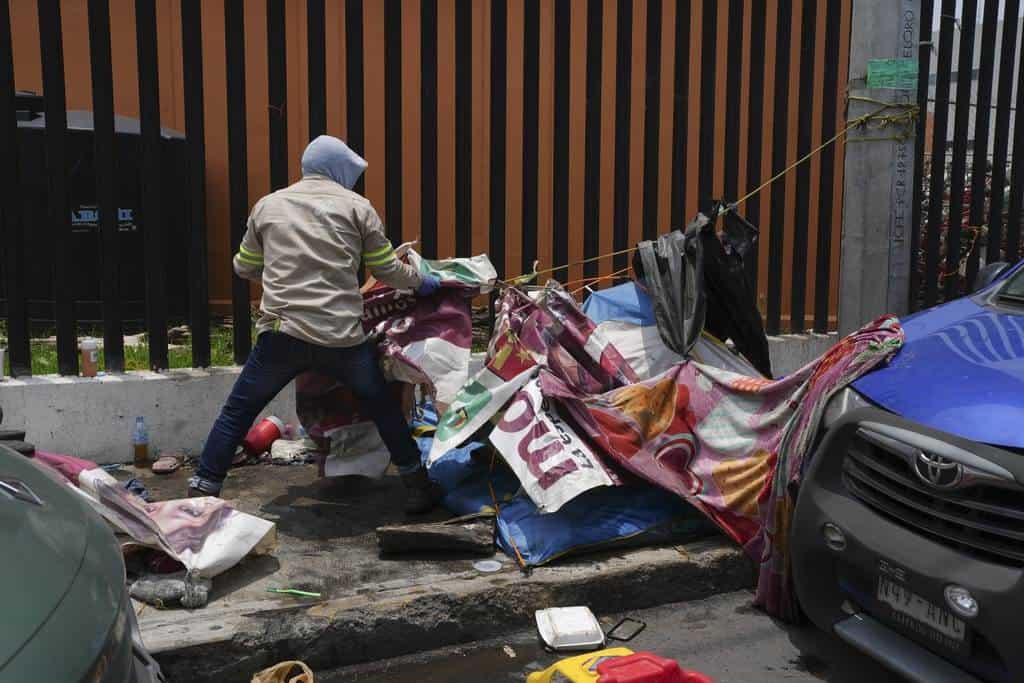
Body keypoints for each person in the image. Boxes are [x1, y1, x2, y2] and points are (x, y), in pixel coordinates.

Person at [188, 135, 443, 513]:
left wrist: (279, 272)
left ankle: (203, 491)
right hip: (341, 339)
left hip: (282, 335)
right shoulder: (359, 208)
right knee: (383, 408)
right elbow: (385, 270)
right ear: (339, 170)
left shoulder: (268, 206)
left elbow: (243, 265)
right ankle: (417, 485)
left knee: (238, 411)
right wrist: (423, 282)